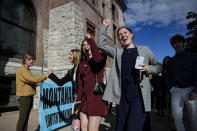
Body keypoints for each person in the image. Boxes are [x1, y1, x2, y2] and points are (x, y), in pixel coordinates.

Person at [98, 19, 162, 131]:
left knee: (133, 126)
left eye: (125, 33)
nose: (123, 35)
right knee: (121, 127)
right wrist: (104, 27)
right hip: (123, 96)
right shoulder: (118, 52)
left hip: (139, 95)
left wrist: (147, 68)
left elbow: (159, 67)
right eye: (120, 34)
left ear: (131, 35)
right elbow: (101, 45)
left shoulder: (144, 50)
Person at [76, 33, 108, 131]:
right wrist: (77, 104)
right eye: (83, 45)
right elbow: (80, 87)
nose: (85, 46)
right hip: (84, 101)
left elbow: (97, 59)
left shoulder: (100, 58)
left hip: (96, 99)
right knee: (83, 128)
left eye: (88, 44)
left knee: (92, 129)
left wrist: (90, 39)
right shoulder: (81, 65)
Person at [166, 34, 197, 131]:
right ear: (172, 46)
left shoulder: (193, 57)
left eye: (179, 42)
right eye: (174, 43)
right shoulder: (171, 61)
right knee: (176, 118)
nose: (177, 44)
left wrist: (195, 90)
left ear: (183, 43)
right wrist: (171, 89)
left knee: (193, 118)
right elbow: (168, 77)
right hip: (176, 91)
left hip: (191, 89)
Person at [16, 53, 51, 131]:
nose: (32, 61)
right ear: (25, 60)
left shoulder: (27, 70)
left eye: (32, 59)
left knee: (26, 118)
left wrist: (43, 79)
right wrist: (45, 75)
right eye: (30, 59)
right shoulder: (22, 69)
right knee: (22, 119)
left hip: (28, 96)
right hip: (24, 97)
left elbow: (33, 83)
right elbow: (32, 79)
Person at [48, 49, 81, 131]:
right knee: (77, 120)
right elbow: (60, 82)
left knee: (83, 121)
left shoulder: (83, 68)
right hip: (76, 99)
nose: (68, 56)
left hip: (83, 98)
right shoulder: (71, 71)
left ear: (75, 55)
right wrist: (51, 75)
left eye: (70, 54)